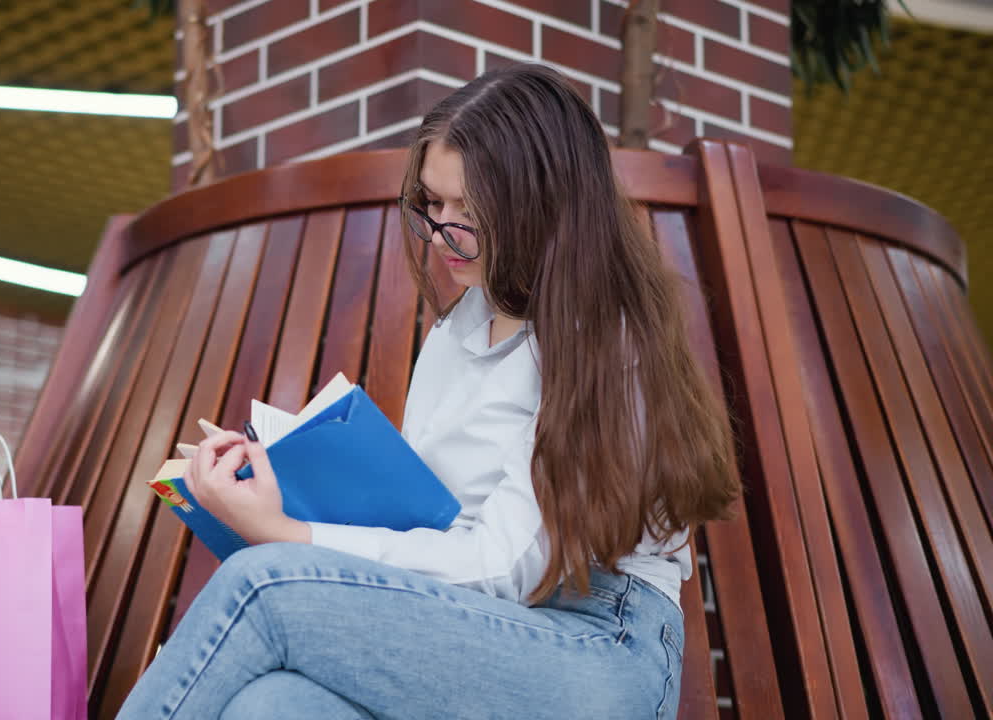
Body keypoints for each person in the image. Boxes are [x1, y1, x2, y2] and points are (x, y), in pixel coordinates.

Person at [115, 62, 739, 720]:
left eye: (470, 213)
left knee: (260, 585)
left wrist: (290, 536)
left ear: (542, 209)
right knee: (275, 705)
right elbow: (423, 529)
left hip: (600, 643)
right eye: (433, 206)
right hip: (468, 626)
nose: (444, 234)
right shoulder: (456, 331)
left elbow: (508, 564)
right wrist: (285, 491)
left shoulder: (602, 341)